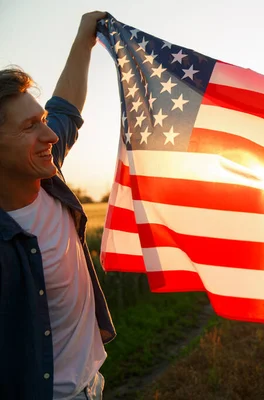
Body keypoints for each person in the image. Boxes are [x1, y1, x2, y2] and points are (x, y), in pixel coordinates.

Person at [0, 11, 115, 400]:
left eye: (43, 120)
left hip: (94, 382)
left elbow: (67, 108)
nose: (50, 134)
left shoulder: (48, 172)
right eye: (30, 126)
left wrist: (85, 38)